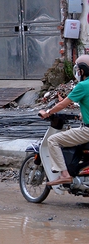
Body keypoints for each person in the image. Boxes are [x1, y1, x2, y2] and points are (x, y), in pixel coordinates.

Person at [39, 54, 89, 186]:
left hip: (87, 131)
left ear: (82, 71)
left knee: (53, 140)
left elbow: (63, 104)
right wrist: (82, 115)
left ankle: (64, 174)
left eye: (78, 70)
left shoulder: (83, 86)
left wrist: (48, 112)